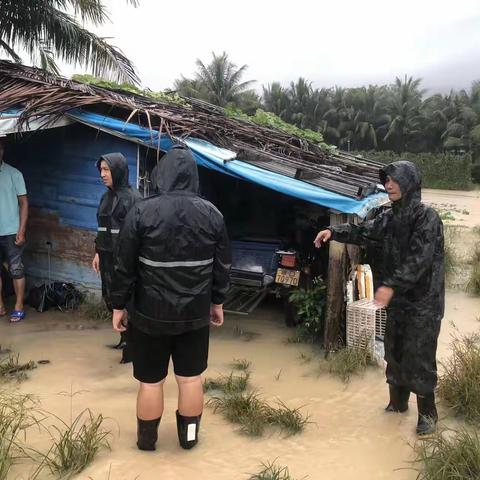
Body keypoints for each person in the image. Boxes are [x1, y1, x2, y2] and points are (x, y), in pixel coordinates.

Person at [110, 146, 231, 451]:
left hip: (149, 315)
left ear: (160, 174)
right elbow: (222, 265)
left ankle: (147, 443)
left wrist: (118, 305)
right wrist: (217, 302)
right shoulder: (212, 214)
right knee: (190, 379)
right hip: (195, 313)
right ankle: (189, 442)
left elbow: (123, 265)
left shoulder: (141, 211)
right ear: (193, 176)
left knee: (150, 382)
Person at [314, 161, 444, 436]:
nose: (389, 185)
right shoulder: (388, 217)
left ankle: (428, 417)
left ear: (410, 183)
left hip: (424, 303)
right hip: (397, 301)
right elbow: (363, 231)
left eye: (395, 180)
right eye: (386, 180)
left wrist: (391, 285)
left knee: (419, 356)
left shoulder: (427, 218)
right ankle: (397, 406)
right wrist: (334, 232)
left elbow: (419, 260)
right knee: (393, 351)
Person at [91, 153, 141, 363]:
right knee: (110, 299)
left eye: (107, 170)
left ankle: (133, 349)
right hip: (106, 257)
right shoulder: (105, 197)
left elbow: (138, 234)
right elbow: (103, 229)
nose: (103, 174)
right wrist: (97, 252)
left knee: (127, 302)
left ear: (118, 171)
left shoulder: (133, 198)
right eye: (101, 170)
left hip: (124, 261)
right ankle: (124, 338)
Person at [0, 138, 29, 323]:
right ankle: (0, 304)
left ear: (2, 150)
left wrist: (22, 230)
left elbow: (24, 203)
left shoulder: (14, 174)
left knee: (16, 269)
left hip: (11, 230)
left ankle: (18, 306)